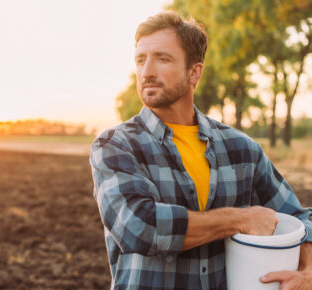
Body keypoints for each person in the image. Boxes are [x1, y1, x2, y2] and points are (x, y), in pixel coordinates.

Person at [90, 11, 312, 290]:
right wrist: (239, 219)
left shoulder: (240, 149)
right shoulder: (116, 144)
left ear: (194, 72)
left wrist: (308, 271)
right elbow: (139, 226)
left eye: (162, 58)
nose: (146, 72)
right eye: (140, 60)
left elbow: (300, 217)